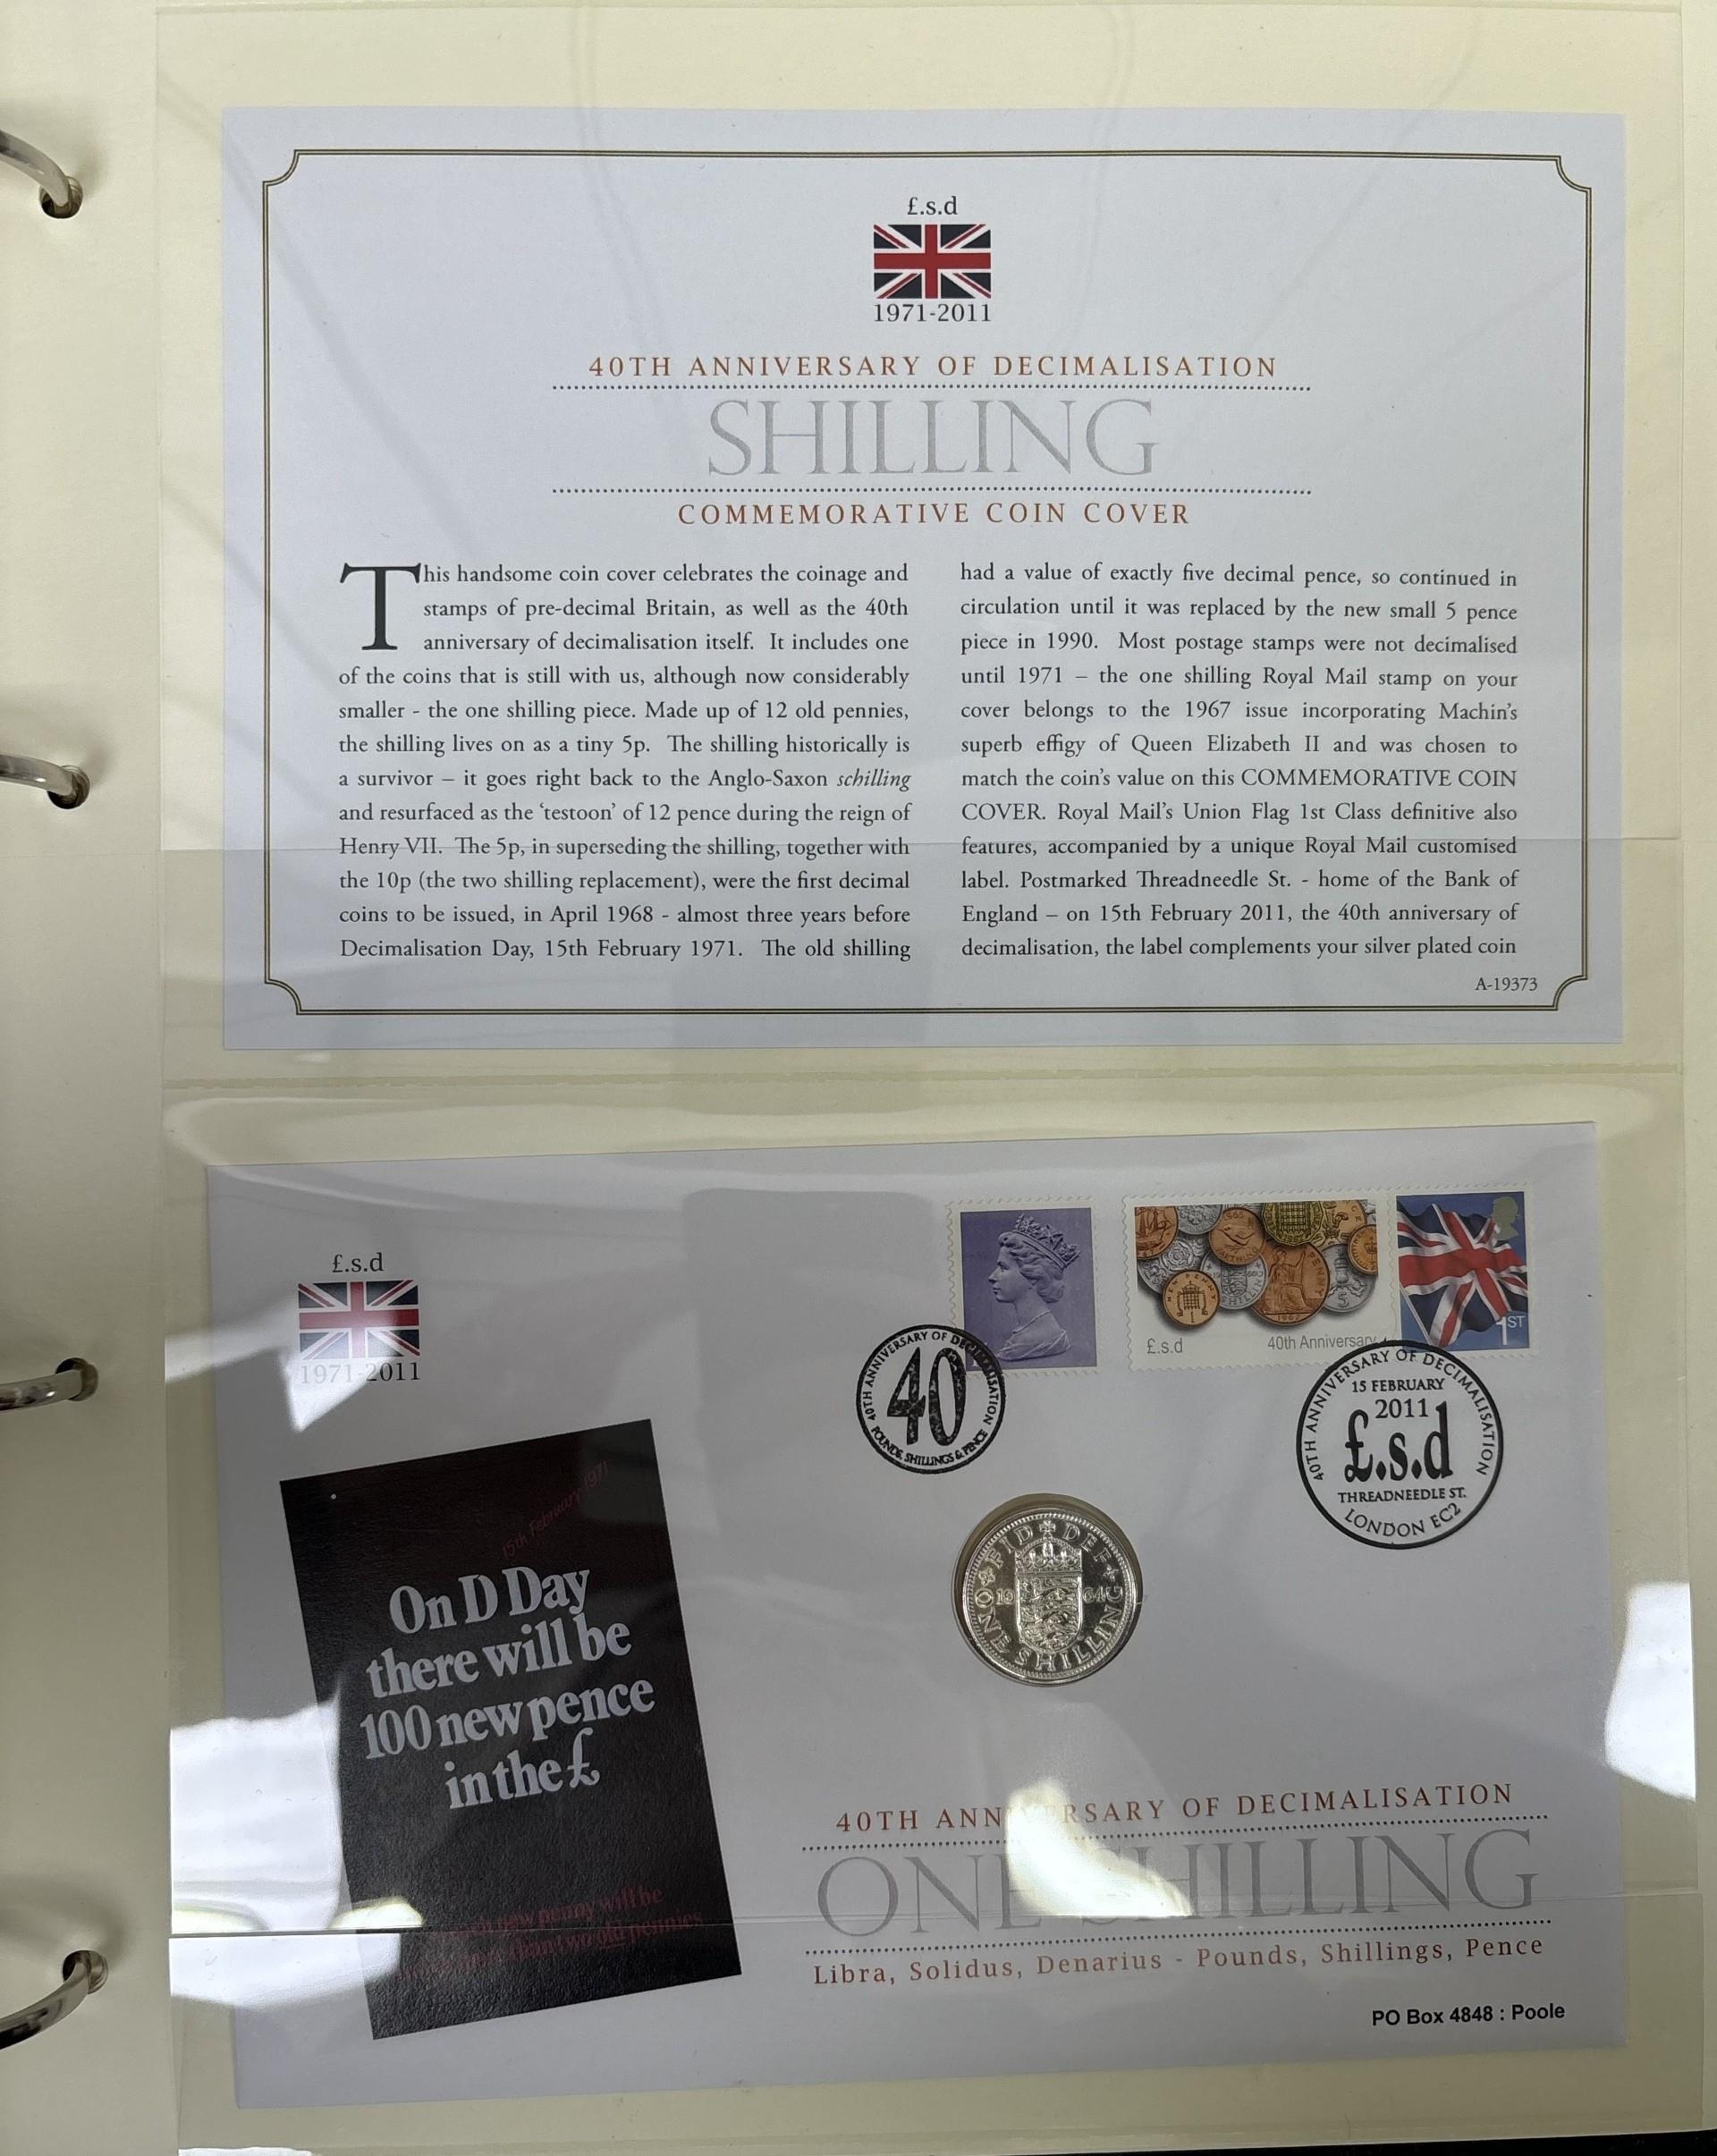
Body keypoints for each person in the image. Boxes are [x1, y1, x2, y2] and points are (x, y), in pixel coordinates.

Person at [988, 1215, 1080, 1362]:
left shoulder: (1046, 1337)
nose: (992, 1276)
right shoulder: (1025, 1331)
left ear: (1034, 1276)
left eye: (1003, 1268)